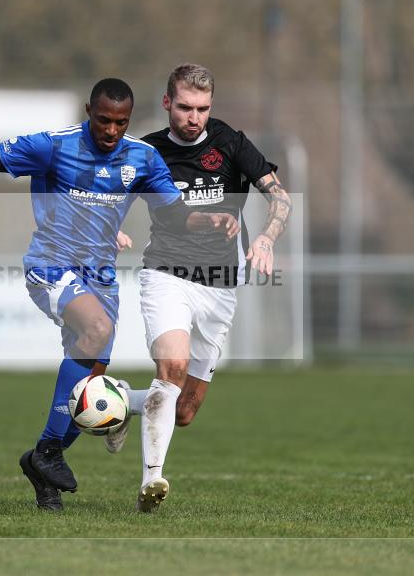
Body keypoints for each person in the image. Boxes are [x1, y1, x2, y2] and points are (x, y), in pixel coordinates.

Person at [0, 78, 239, 512]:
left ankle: (42, 464)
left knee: (87, 394)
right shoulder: (53, 147)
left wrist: (205, 221)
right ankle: (50, 455)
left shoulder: (143, 157)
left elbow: (173, 214)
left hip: (101, 280)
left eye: (121, 122)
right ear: (87, 111)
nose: (111, 131)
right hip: (50, 267)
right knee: (96, 329)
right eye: (103, 120)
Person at [110, 64, 291, 512]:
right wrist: (109, 228)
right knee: (172, 365)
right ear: (168, 102)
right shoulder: (147, 152)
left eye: (203, 109)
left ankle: (116, 402)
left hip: (220, 284)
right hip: (165, 272)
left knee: (184, 410)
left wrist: (266, 238)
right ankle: (152, 480)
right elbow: (113, 198)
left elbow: (280, 197)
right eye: (186, 107)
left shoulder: (230, 142)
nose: (195, 118)